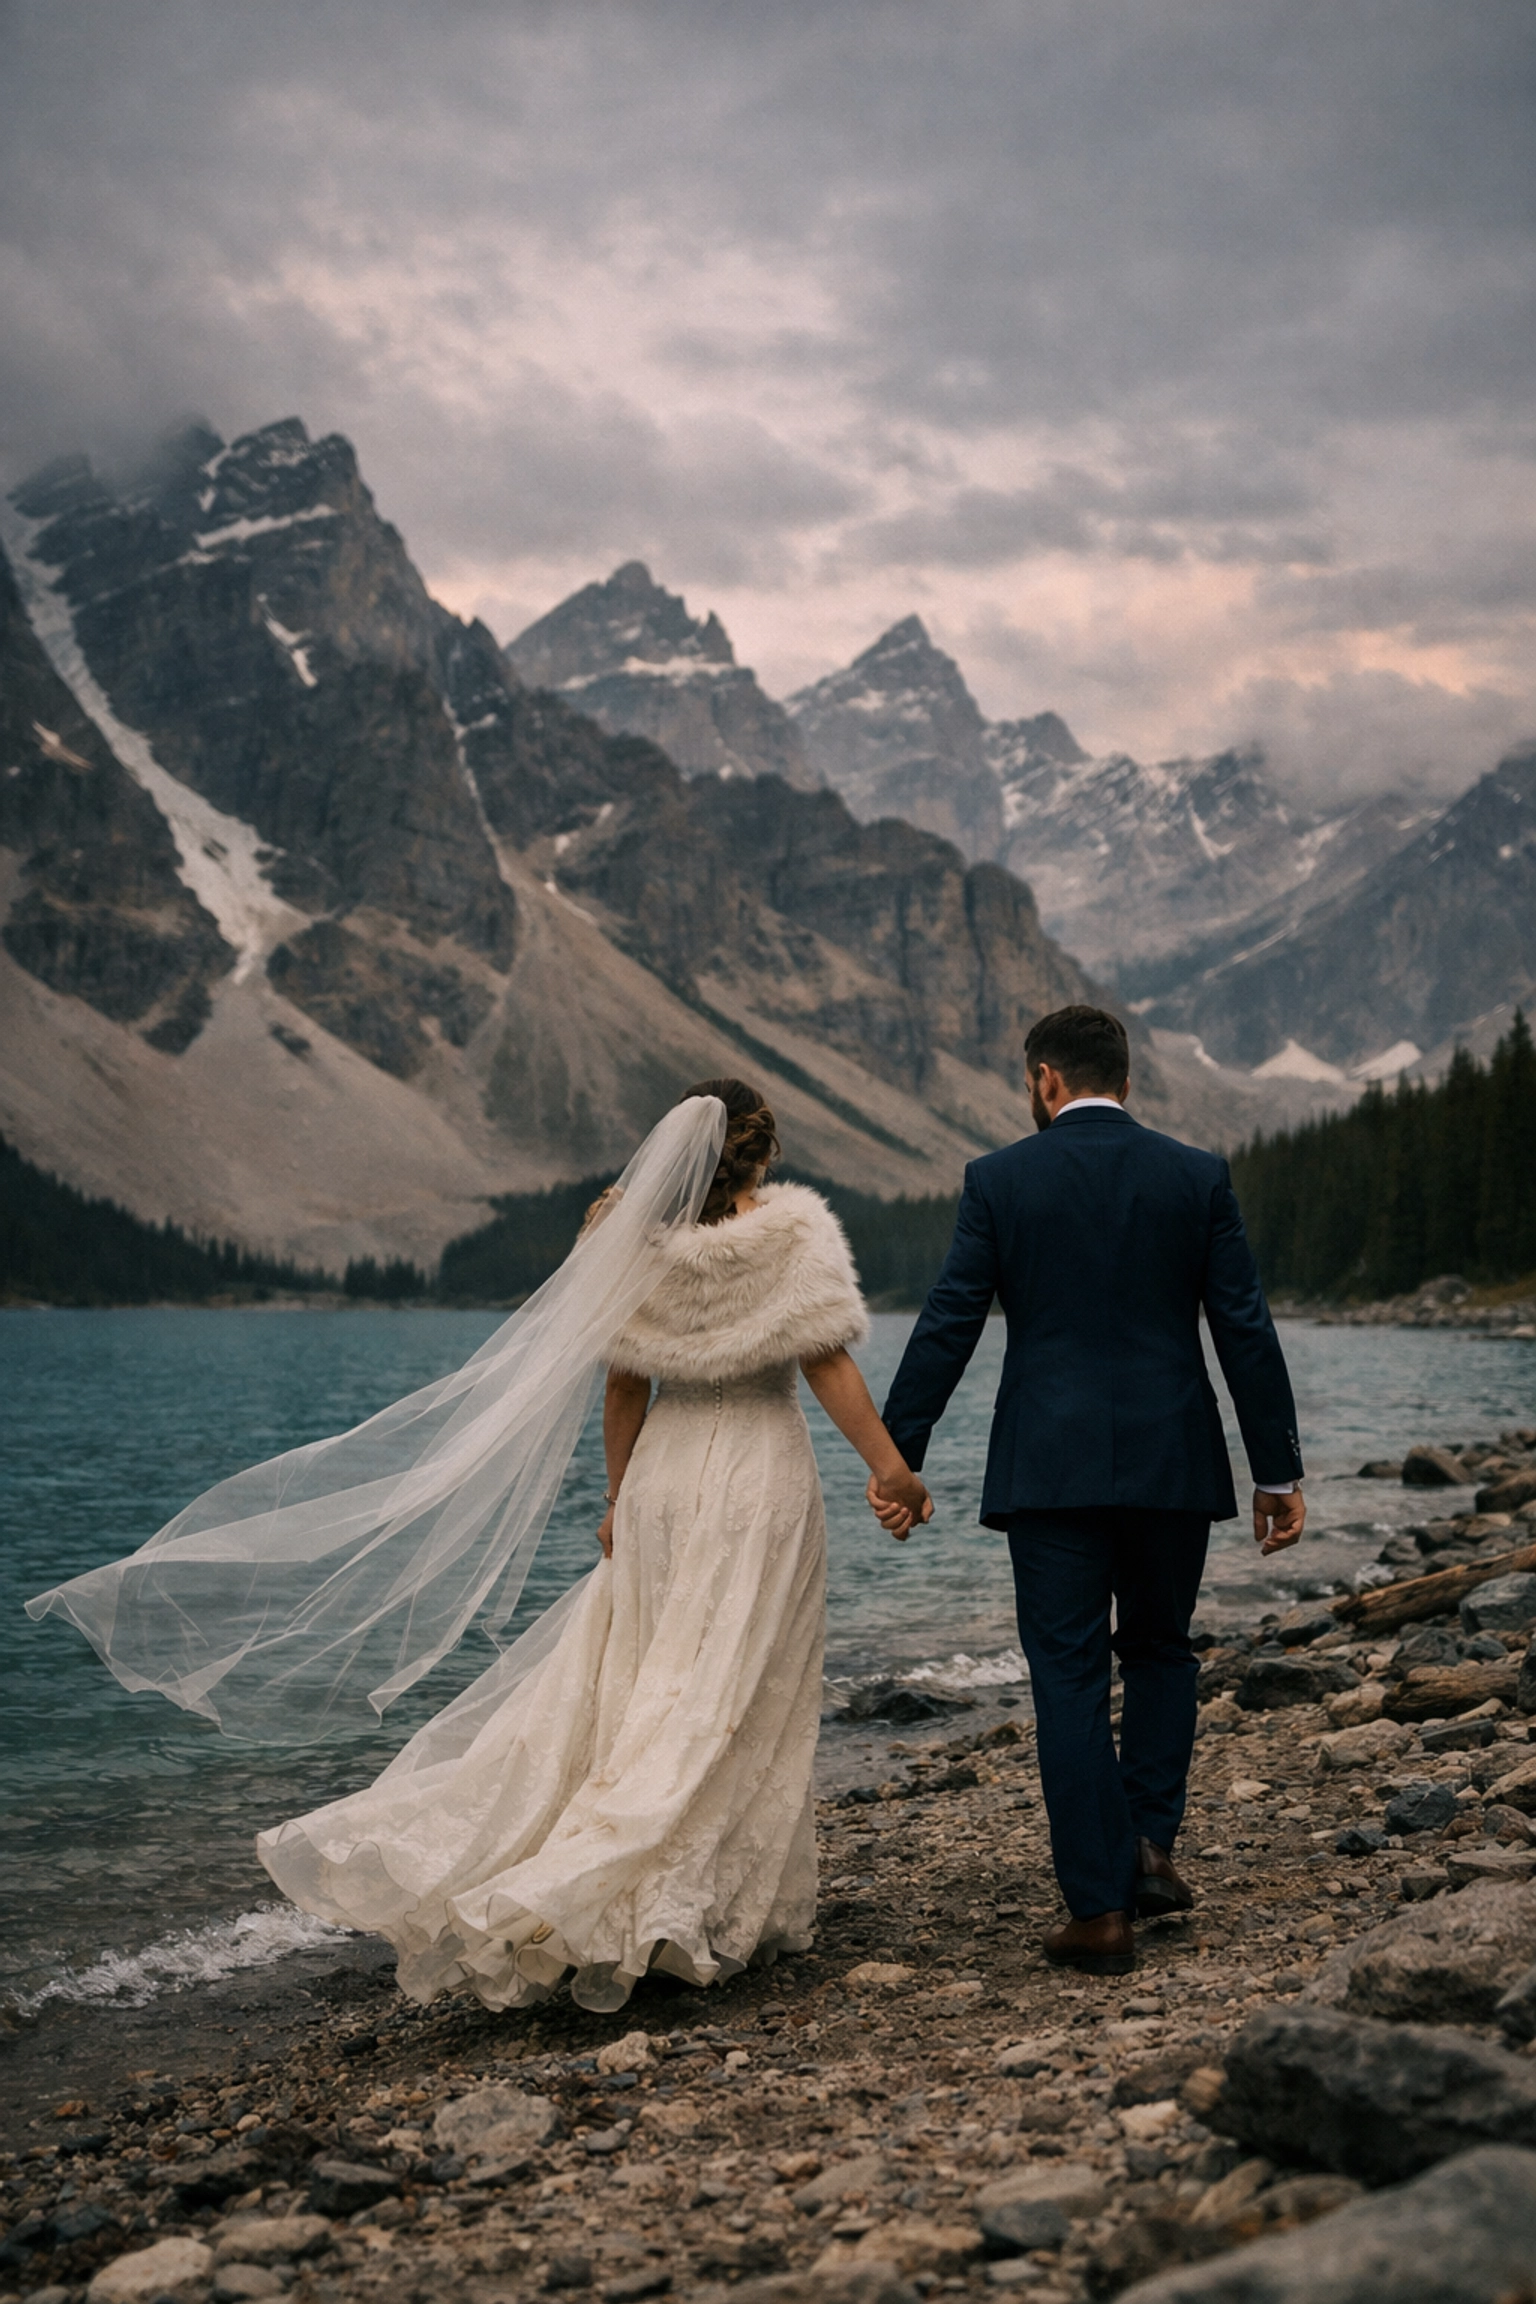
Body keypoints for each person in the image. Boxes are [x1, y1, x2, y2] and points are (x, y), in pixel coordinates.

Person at [31, 1079, 931, 2015]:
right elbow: (827, 1362)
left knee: (648, 1674)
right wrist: (894, 1475)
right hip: (757, 1477)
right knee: (737, 1679)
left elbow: (625, 1389)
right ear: (763, 1154)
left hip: (664, 1479)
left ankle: (634, 1883)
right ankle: (682, 1899)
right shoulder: (791, 1236)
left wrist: (620, 1500)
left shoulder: (635, 1245)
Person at [876, 1006, 1304, 1977]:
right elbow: (1244, 1326)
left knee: (1068, 1673)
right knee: (1160, 1650)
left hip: (1051, 1467)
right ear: (1126, 1077)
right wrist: (1277, 1469)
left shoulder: (999, 1179)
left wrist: (900, 1456)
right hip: (1173, 1459)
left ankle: (1100, 1909)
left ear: (1044, 1081)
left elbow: (950, 1319)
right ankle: (1150, 1848)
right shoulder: (1196, 1174)